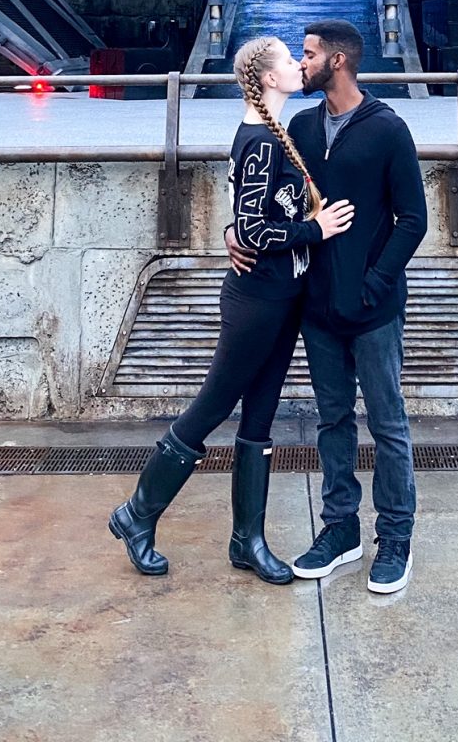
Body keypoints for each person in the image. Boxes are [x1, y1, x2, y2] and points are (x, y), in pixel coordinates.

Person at [109, 35, 354, 582]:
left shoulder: (274, 133)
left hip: (282, 295)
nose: (297, 65)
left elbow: (246, 221)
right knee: (213, 404)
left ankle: (248, 541)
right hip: (257, 300)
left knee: (261, 415)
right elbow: (252, 229)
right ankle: (136, 514)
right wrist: (317, 228)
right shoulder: (261, 141)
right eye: (289, 61)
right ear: (268, 78)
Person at [227, 18, 426, 594]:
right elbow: (268, 206)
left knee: (388, 425)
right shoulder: (300, 130)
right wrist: (231, 232)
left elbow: (413, 220)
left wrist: (375, 283)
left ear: (337, 61)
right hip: (316, 307)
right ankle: (341, 530)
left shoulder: (388, 129)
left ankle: (395, 538)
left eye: (309, 54)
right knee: (333, 422)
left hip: (373, 308)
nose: (303, 63)